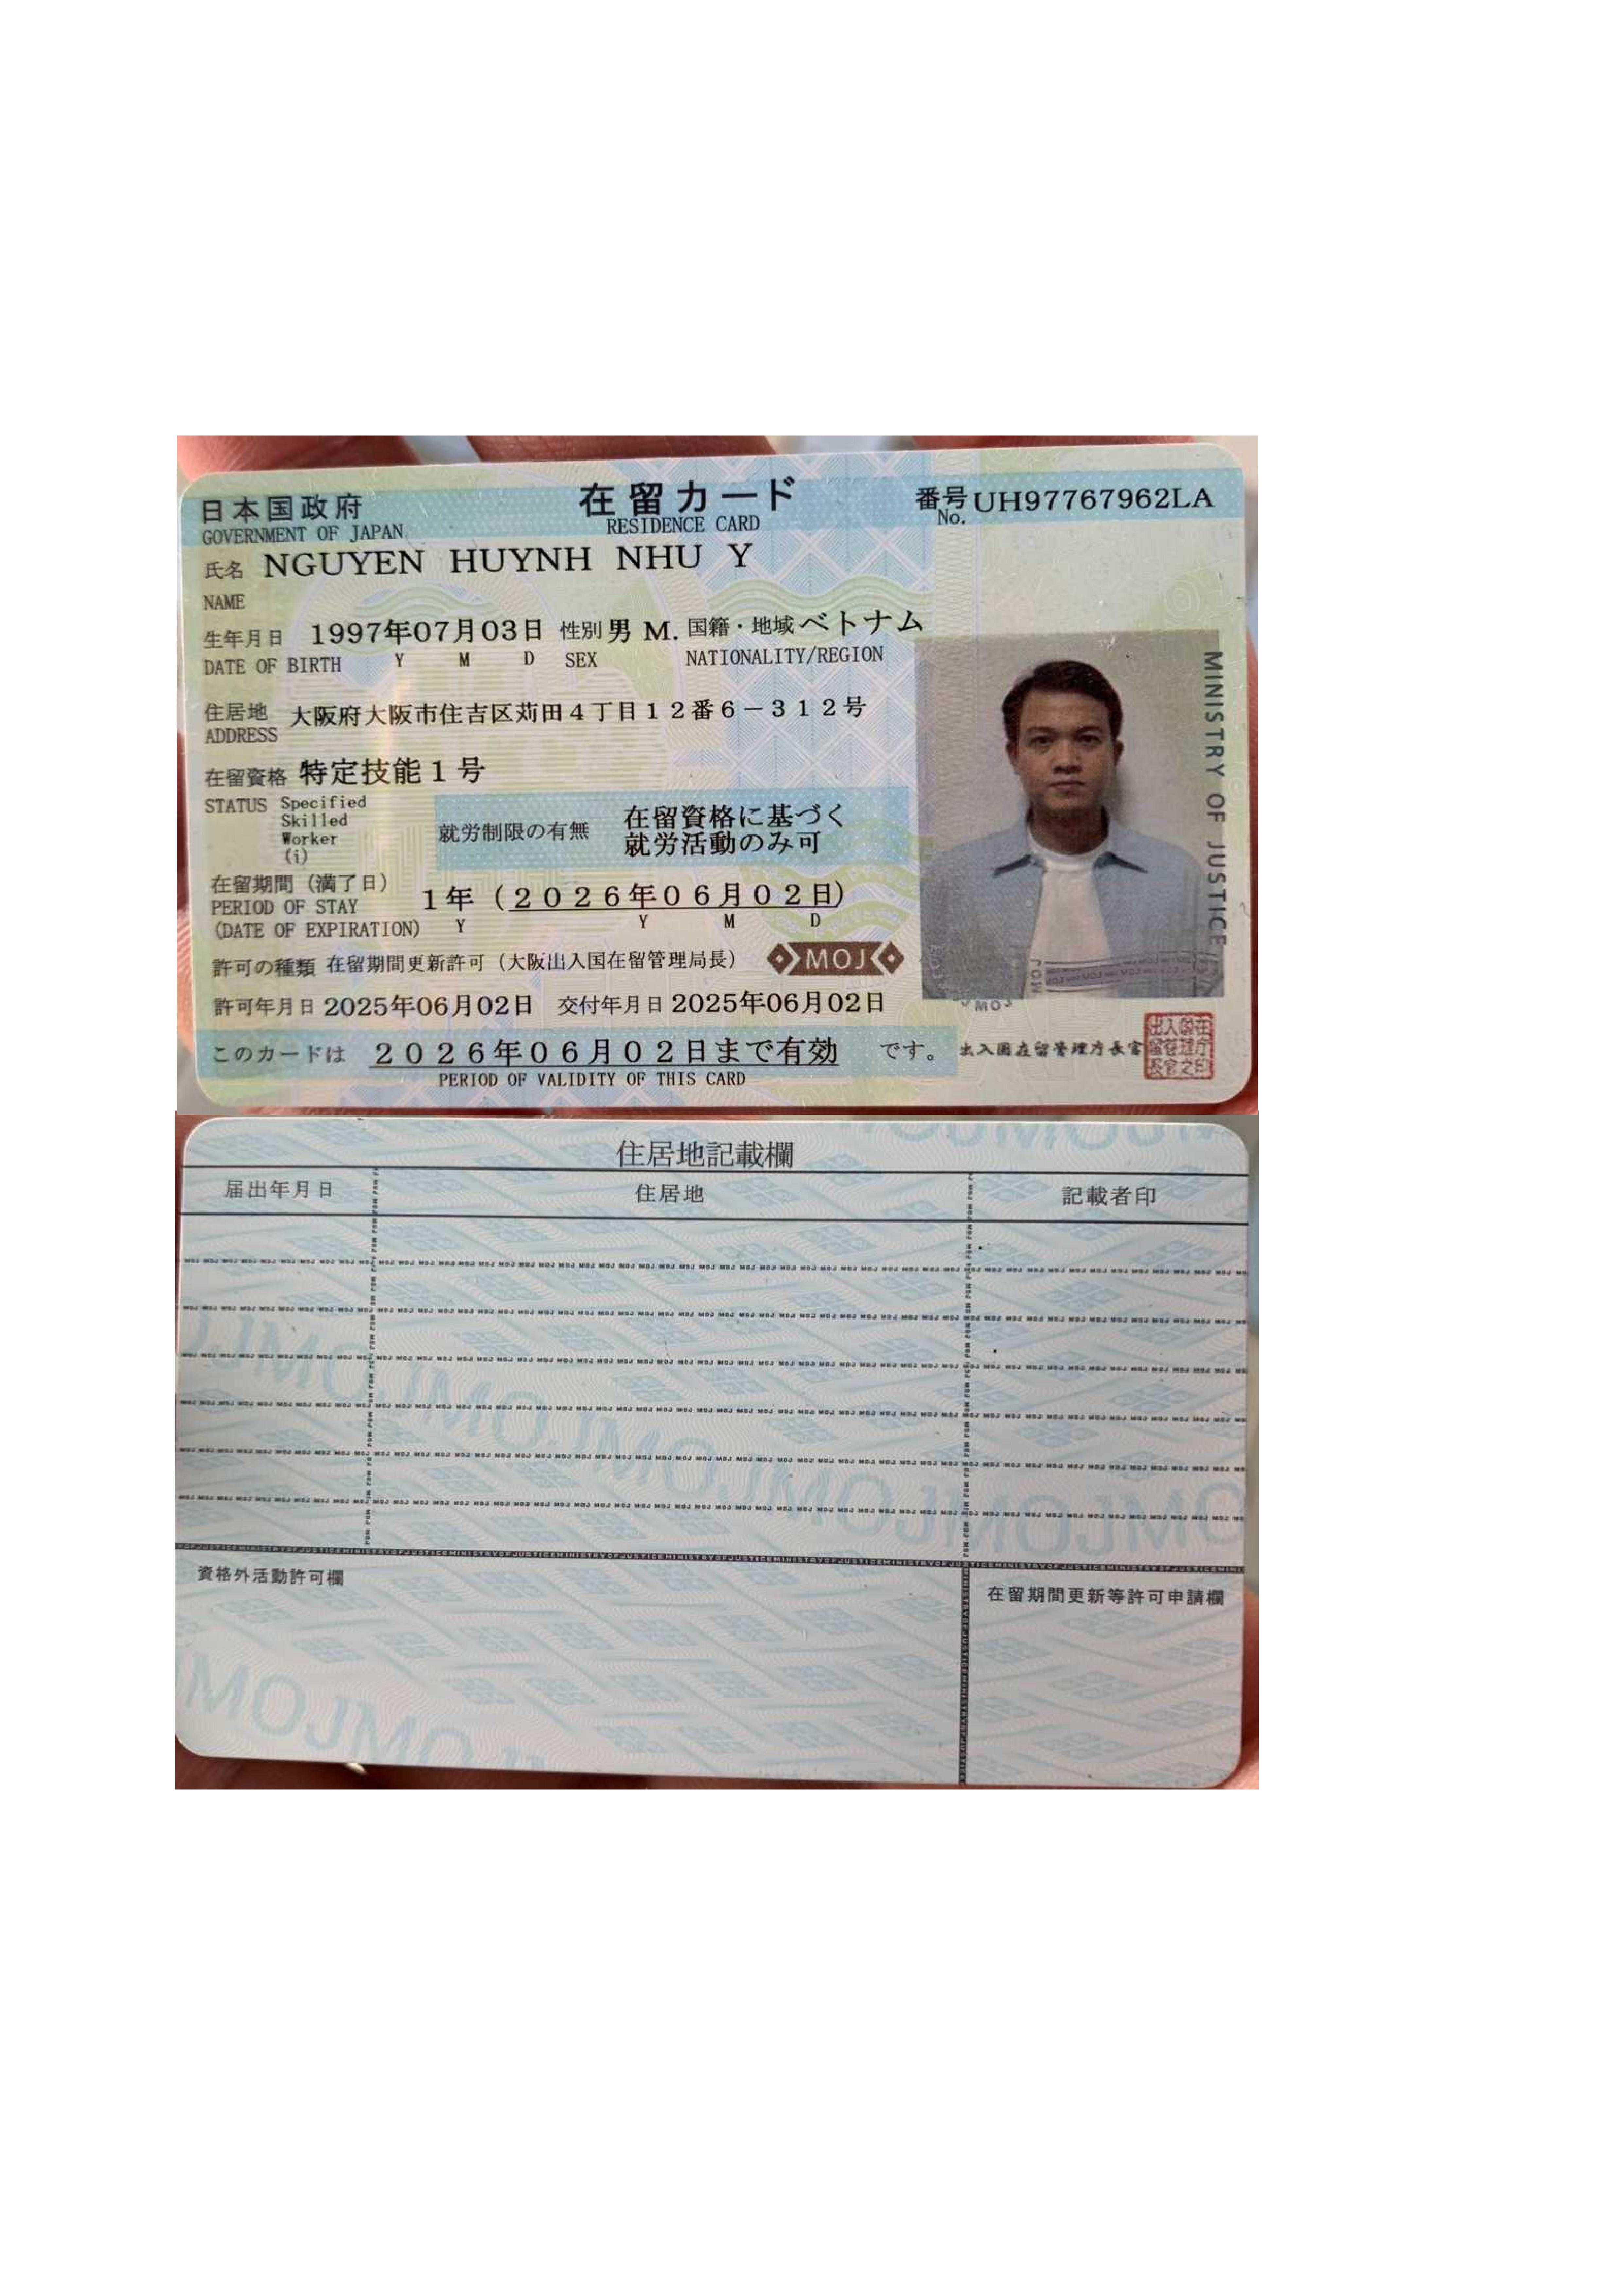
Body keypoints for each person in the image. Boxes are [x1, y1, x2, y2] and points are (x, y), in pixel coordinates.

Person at [920, 657, 1217, 1001]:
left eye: (1087, 739)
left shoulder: (1179, 880)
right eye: (1042, 741)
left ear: (1115, 754)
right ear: (1015, 756)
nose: (1066, 761)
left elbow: (1217, 1011)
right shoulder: (953, 882)